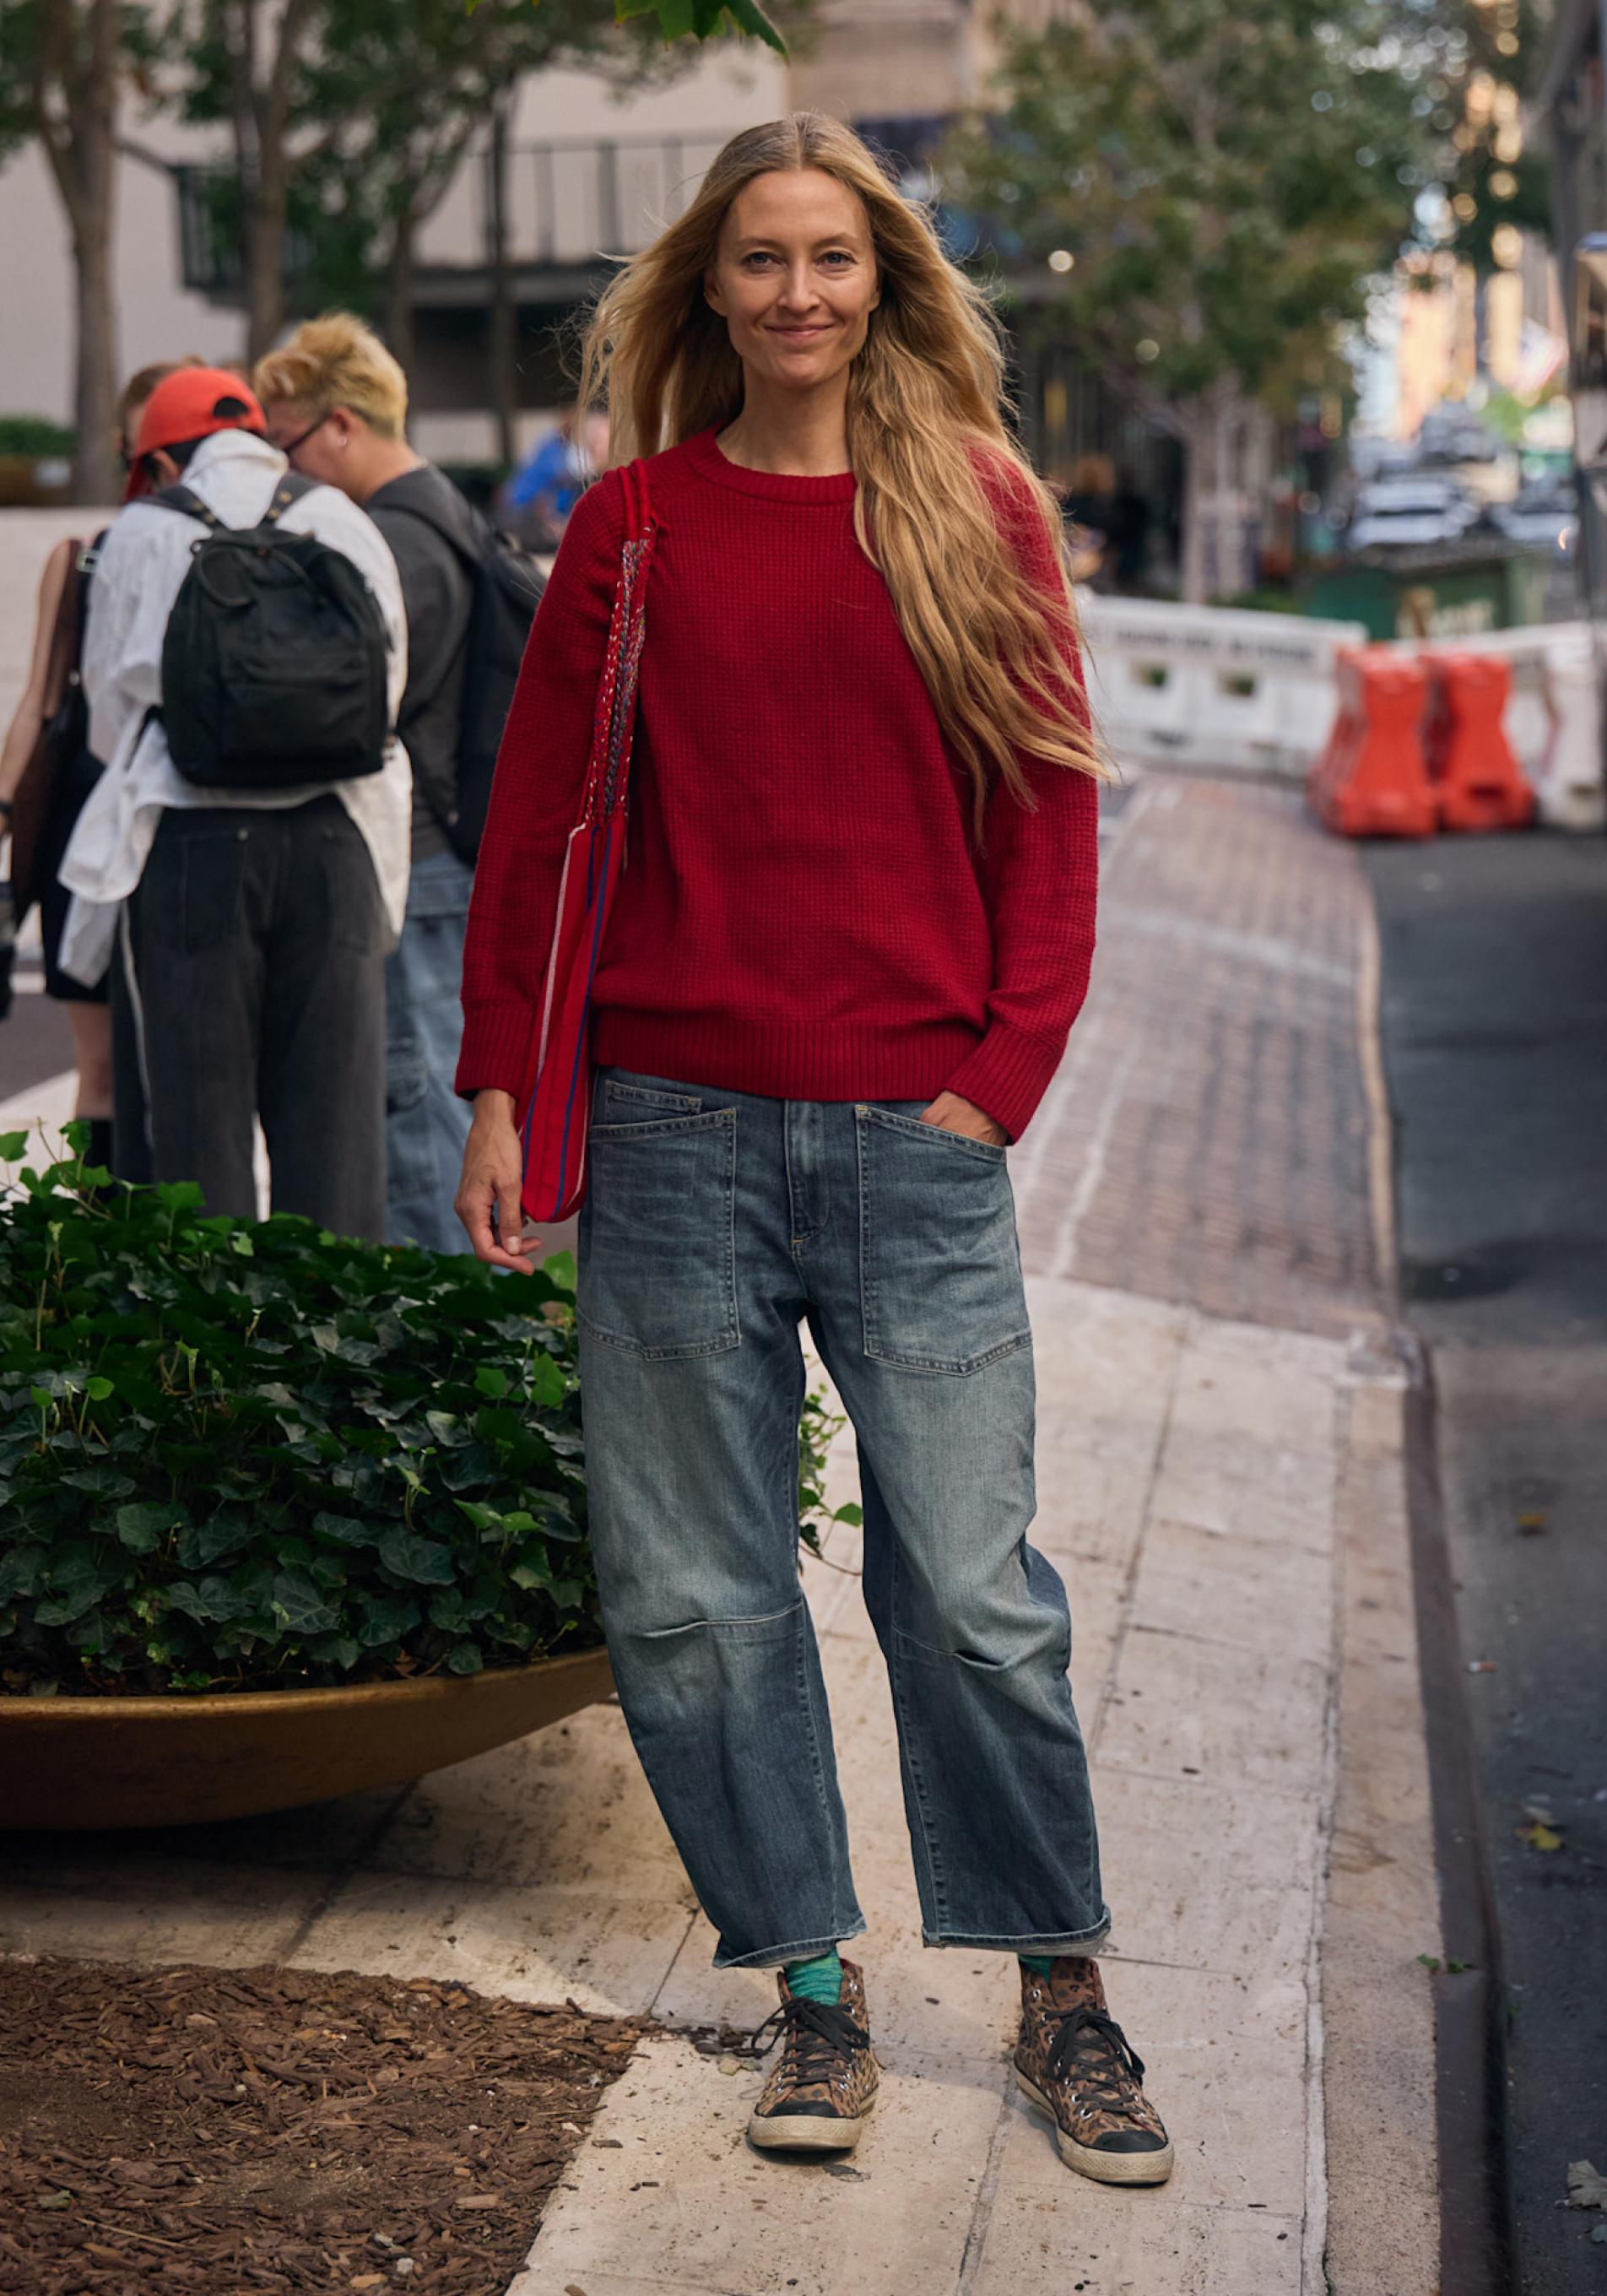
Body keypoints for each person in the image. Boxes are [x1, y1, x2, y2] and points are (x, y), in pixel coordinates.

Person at [453, 113, 1172, 2184]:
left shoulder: (973, 510)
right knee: (696, 1592)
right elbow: (535, 832)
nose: (796, 292)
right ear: (710, 289)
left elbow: (1048, 815)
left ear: (884, 283)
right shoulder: (640, 526)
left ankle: (1063, 1989)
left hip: (913, 1133)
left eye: (831, 259)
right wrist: (511, 1074)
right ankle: (815, 1991)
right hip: (674, 1127)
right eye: (758, 260)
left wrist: (996, 1079)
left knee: (973, 1589)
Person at [58, 366, 409, 1236]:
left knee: (192, 1141)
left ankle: (206, 1366)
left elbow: (109, 717)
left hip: (187, 843)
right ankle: (330, 1351)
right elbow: (388, 685)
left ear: (161, 463)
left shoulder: (140, 531)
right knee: (335, 1138)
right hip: (336, 841)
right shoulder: (339, 518)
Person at [255, 314, 479, 1255]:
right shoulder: (446, 514)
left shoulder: (394, 539)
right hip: (438, 860)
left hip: (413, 864)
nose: (283, 472)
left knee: (417, 1121)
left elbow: (356, 706)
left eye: (286, 445)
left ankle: (450, 1351)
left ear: (339, 426)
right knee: (424, 1107)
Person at [0, 362, 192, 1169]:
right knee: (102, 1068)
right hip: (82, 826)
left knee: (182, 1062)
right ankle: (93, 1259)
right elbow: (40, 703)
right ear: (128, 448)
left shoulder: (223, 546)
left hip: (182, 822)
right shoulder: (78, 557)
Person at [499, 406, 609, 550]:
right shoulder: (557, 452)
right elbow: (575, 470)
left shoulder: (557, 449)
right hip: (522, 515)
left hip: (531, 514)